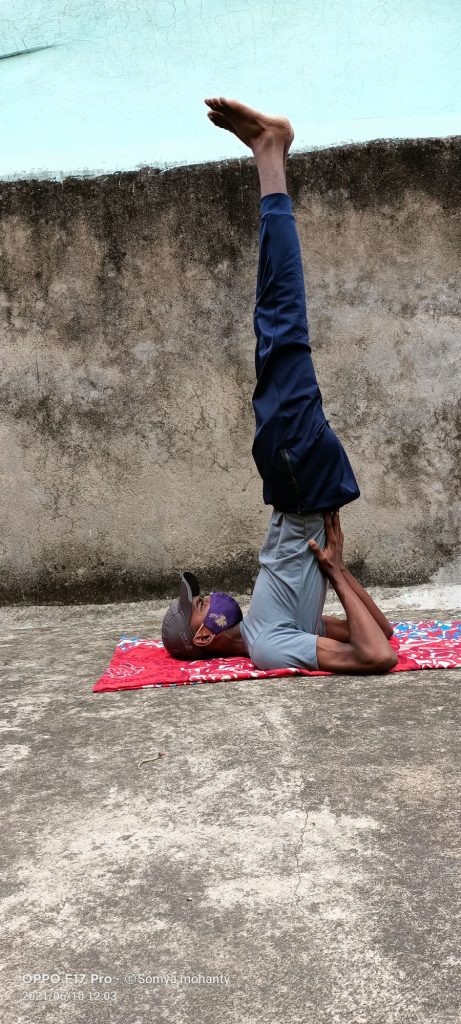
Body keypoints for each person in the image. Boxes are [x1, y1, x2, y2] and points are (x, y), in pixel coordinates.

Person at [161, 98, 397, 675]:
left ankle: (270, 154)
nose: (205, 598)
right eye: (197, 607)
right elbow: (379, 653)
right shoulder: (268, 645)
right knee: (281, 325)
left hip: (293, 485)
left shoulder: (274, 624)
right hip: (297, 482)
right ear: (204, 639)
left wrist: (337, 572)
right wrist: (333, 569)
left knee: (273, 327)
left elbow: (379, 629)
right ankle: (270, 155)